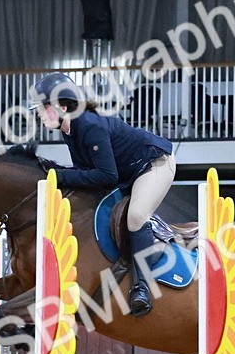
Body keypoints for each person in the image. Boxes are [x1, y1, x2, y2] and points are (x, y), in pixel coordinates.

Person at [29, 72, 174, 317]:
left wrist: (61, 176)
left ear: (62, 106)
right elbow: (86, 172)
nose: (39, 114)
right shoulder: (69, 129)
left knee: (136, 216)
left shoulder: (89, 126)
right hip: (128, 171)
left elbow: (107, 176)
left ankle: (142, 287)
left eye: (44, 108)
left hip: (154, 164)